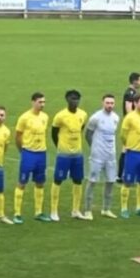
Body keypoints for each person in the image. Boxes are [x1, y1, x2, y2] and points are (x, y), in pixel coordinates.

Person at [51, 89, 89, 221]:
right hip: (64, 155)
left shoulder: (83, 114)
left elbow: (81, 129)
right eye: (73, 99)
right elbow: (54, 134)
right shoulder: (60, 116)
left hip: (77, 154)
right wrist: (60, 147)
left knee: (78, 180)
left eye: (77, 99)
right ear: (67, 100)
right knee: (58, 180)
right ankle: (54, 211)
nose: (75, 101)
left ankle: (76, 210)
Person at [14, 92, 50, 223]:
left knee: (40, 182)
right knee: (22, 182)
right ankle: (17, 213)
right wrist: (22, 151)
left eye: (44, 102)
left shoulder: (45, 117)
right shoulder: (24, 118)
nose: (42, 105)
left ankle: (38, 212)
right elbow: (18, 136)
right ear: (33, 102)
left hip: (42, 153)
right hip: (28, 153)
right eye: (40, 102)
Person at [84, 94, 120, 220]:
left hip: (111, 155)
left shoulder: (116, 118)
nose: (109, 105)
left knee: (110, 181)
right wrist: (94, 147)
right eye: (107, 103)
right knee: (92, 181)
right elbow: (88, 134)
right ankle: (88, 210)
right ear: (102, 103)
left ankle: (106, 209)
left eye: (112, 103)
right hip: (97, 155)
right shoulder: (95, 118)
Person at [120, 93, 140, 217]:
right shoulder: (129, 118)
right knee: (127, 181)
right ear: (135, 103)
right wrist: (128, 145)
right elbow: (123, 135)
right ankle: (124, 208)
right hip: (132, 153)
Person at [119, 72, 140, 187]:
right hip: (130, 126)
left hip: (131, 124)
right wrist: (134, 122)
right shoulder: (129, 93)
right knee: (127, 149)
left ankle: (123, 175)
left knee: (127, 149)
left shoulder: (133, 92)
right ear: (134, 81)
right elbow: (128, 109)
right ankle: (122, 175)